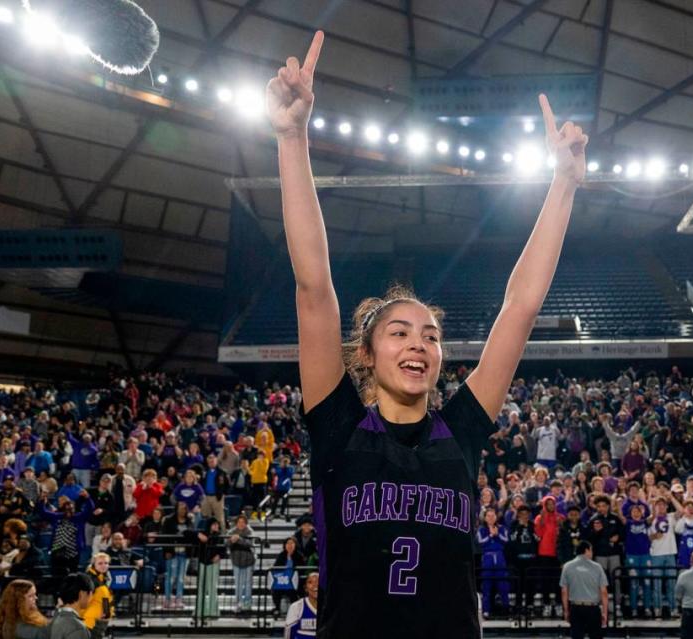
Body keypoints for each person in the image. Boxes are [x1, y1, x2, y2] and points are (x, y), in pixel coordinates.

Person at [269, 27, 587, 639]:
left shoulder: (461, 431)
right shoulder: (338, 428)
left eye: (432, 335)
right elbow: (314, 288)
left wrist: (564, 184)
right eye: (399, 332)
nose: (419, 343)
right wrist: (292, 137)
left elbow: (519, 308)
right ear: (365, 352)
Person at [559, 541, 608, 639]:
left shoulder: (567, 566)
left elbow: (564, 591)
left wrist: (566, 610)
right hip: (593, 609)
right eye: (591, 550)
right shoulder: (597, 567)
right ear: (587, 550)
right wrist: (605, 612)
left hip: (575, 608)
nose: (592, 553)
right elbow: (604, 592)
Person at [477, 507, 510, 618]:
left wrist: (497, 535)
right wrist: (490, 535)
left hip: (500, 557)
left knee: (503, 585)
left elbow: (506, 541)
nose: (491, 518)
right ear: (485, 518)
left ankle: (506, 609)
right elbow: (480, 542)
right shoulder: (481, 529)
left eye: (493, 516)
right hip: (487, 558)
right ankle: (486, 610)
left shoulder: (502, 528)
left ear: (496, 517)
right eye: (489, 516)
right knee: (486, 586)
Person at [49, 573, 94, 639]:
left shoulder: (55, 620)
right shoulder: (77, 628)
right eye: (90, 593)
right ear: (82, 594)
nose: (91, 597)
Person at [228, 514, 256, 613]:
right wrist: (231, 540)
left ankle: (247, 603)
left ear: (246, 523)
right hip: (236, 561)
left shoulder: (250, 531)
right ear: (236, 523)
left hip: (248, 561)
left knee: (248, 583)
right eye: (239, 522)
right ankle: (238, 603)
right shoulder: (231, 531)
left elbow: (250, 544)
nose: (241, 524)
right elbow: (226, 543)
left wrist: (239, 539)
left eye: (243, 522)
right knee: (238, 583)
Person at [82, 553, 115, 639]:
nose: (104, 565)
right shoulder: (90, 579)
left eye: (106, 563)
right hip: (91, 622)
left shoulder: (102, 577)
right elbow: (83, 601)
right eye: (100, 563)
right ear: (93, 565)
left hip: (99, 621)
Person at [285, 572, 319, 639]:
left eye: (318, 581)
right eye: (310, 582)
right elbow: (289, 634)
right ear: (306, 588)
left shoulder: (330, 608)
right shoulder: (297, 607)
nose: (315, 585)